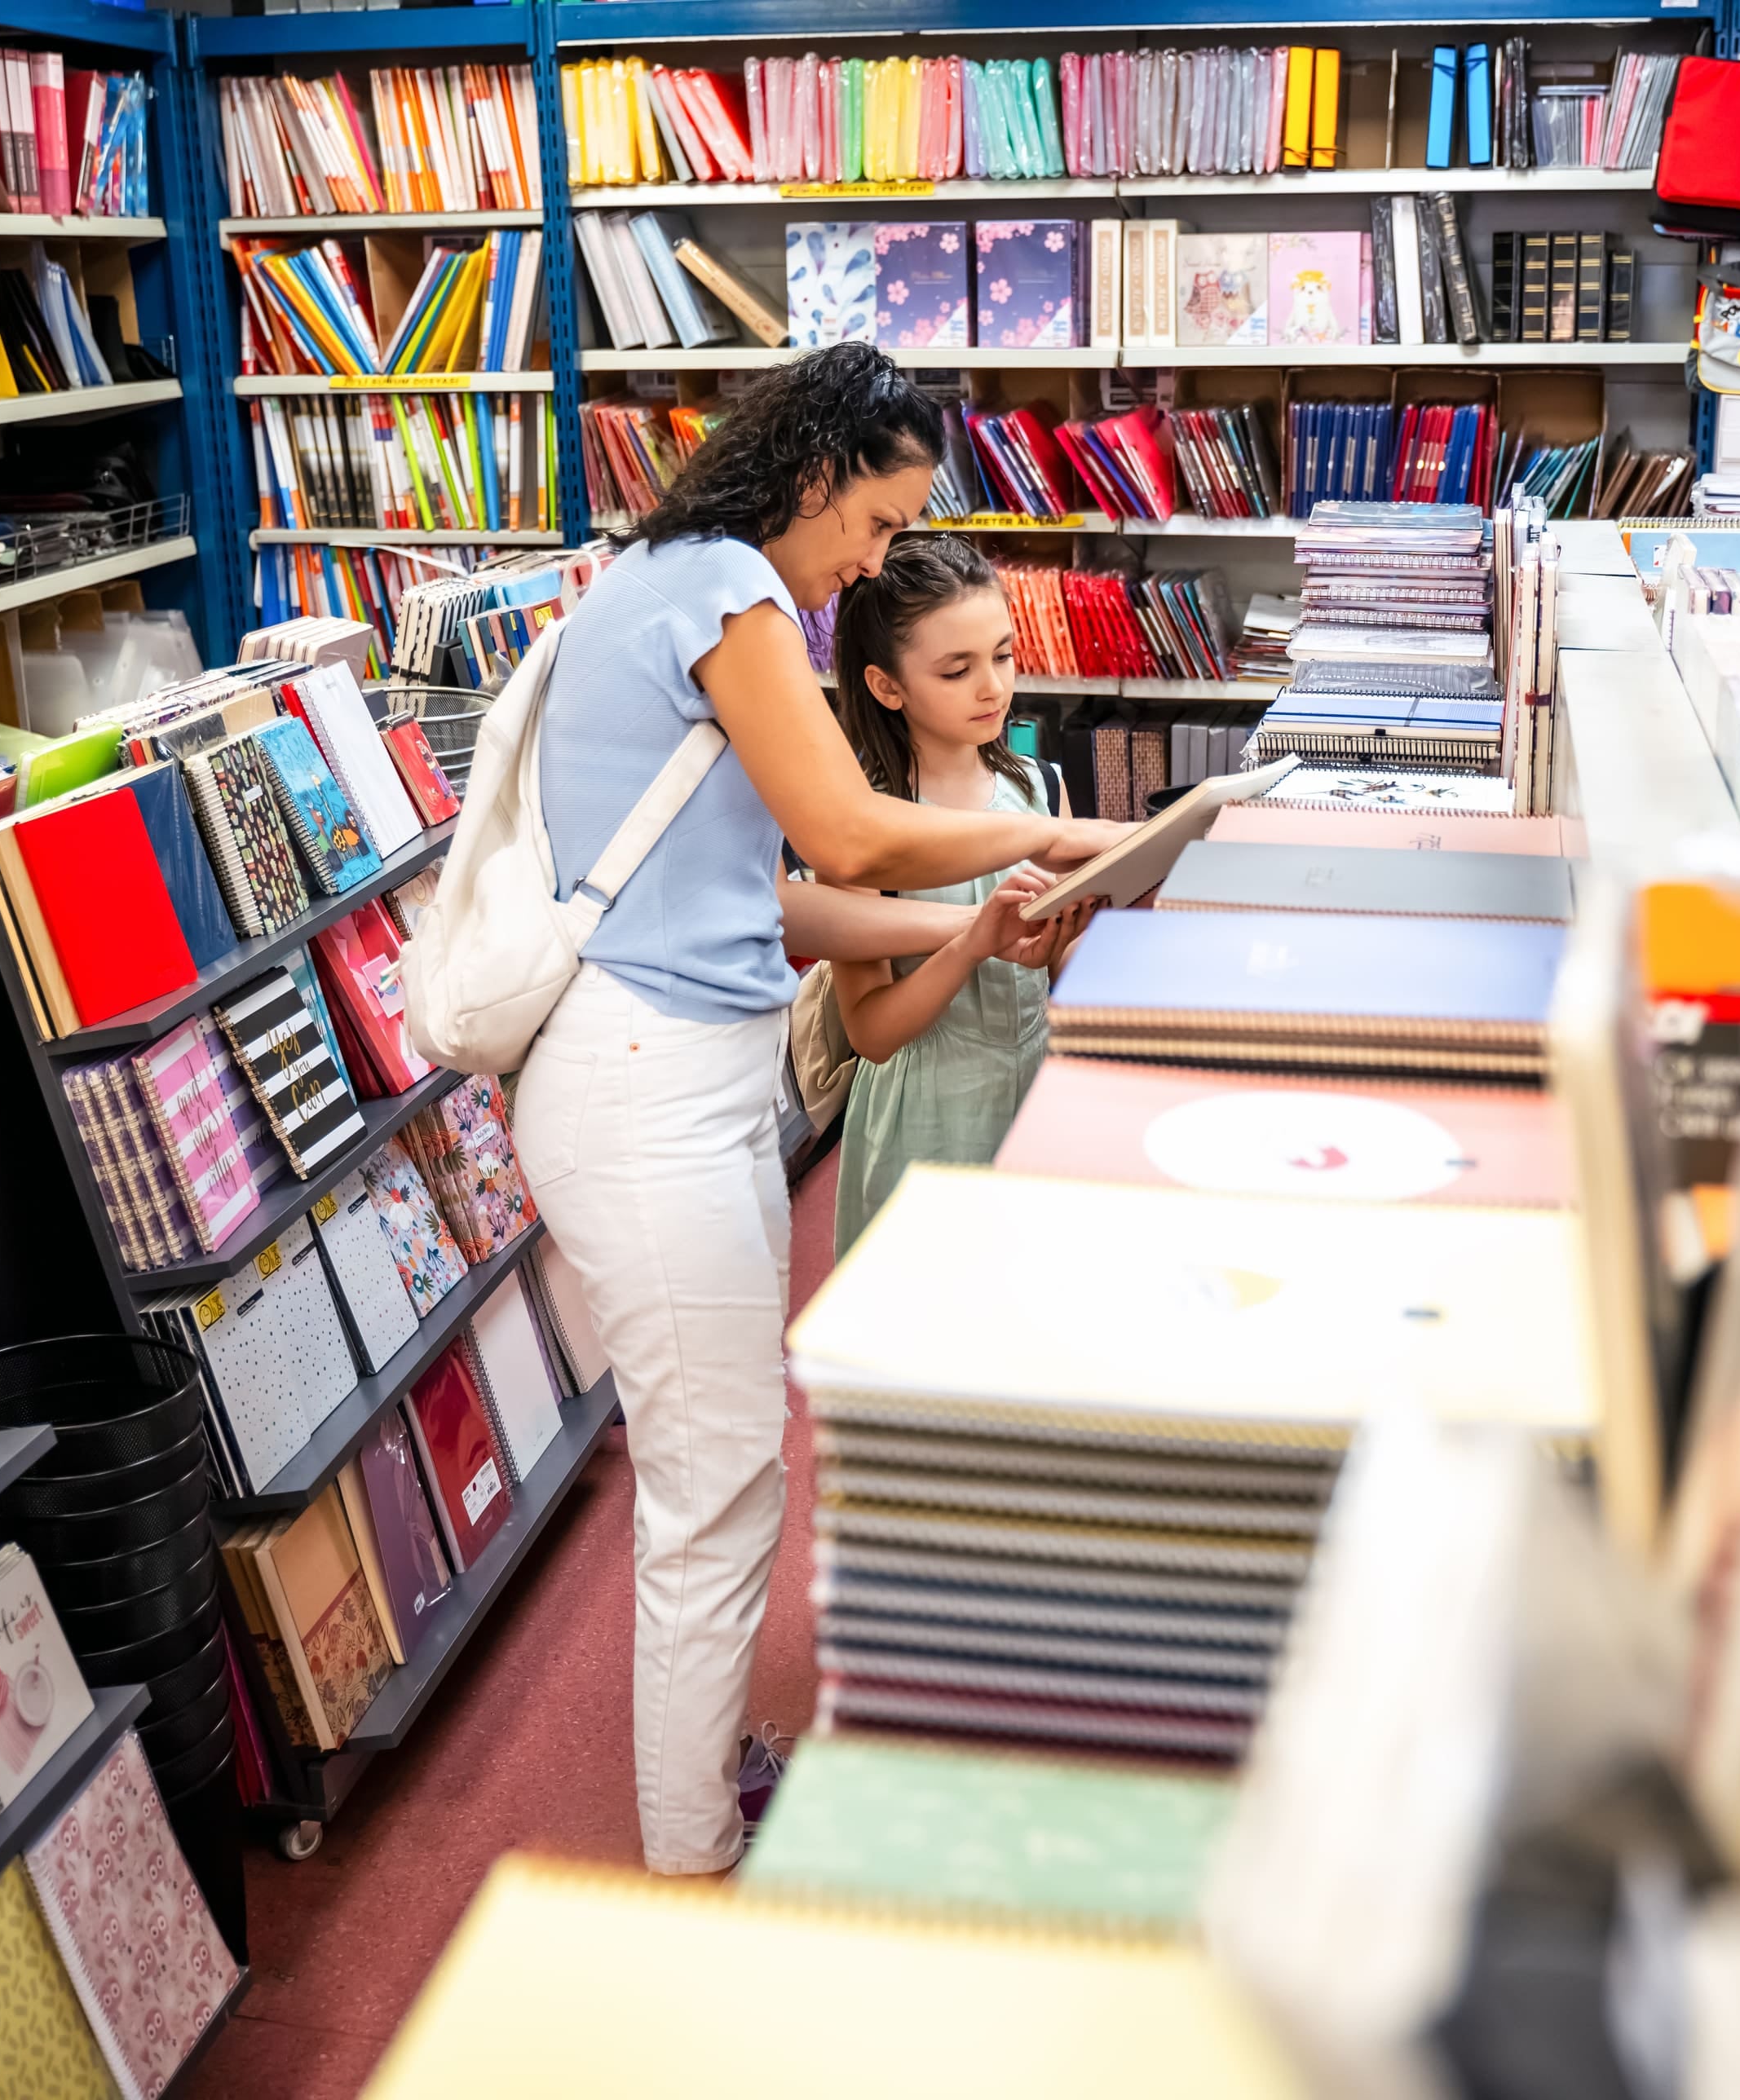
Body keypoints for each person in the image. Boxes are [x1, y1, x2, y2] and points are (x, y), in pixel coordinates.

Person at [502, 343, 1128, 1876]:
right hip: (646, 1089)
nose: (870, 561)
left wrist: (975, 921)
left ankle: (704, 1781)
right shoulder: (724, 595)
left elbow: (775, 907)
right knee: (715, 1489)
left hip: (674, 1073)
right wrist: (1061, 834)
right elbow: (850, 835)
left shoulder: (677, 585)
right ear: (810, 475)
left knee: (723, 1467)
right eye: (872, 521)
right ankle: (693, 1854)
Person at [825, 536, 1093, 1259]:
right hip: (929, 1120)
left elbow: (1054, 977)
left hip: (1039, 1095)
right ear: (887, 686)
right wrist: (973, 941)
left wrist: (1074, 936)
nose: (993, 688)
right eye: (957, 670)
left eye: (1003, 656)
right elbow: (873, 1035)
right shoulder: (861, 829)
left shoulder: (1040, 788)